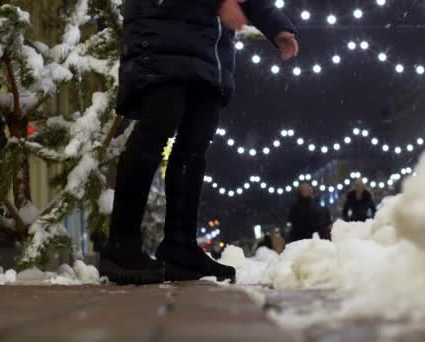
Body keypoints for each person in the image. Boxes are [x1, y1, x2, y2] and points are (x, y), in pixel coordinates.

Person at [100, 0, 299, 285]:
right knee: (158, 124)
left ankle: (180, 247)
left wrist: (277, 27)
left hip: (209, 52)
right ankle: (121, 244)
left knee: (195, 142)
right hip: (161, 33)